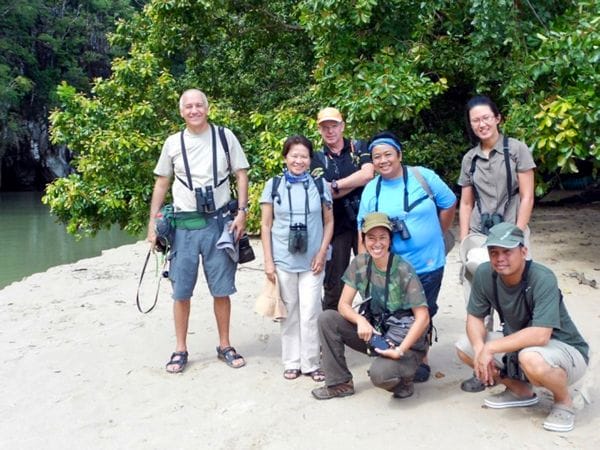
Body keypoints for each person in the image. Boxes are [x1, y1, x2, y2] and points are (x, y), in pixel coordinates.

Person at [147, 88, 249, 373]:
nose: (194, 110)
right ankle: (180, 348)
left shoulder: (225, 137)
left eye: (199, 105)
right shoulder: (172, 143)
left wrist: (242, 213)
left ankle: (225, 344)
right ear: (181, 112)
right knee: (181, 291)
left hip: (219, 222)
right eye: (188, 106)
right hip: (184, 225)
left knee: (222, 288)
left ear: (207, 107)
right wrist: (153, 223)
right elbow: (161, 183)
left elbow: (241, 174)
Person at [455, 222, 589, 433]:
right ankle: (520, 391)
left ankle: (564, 402)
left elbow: (541, 334)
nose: (500, 259)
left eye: (507, 251)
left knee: (530, 357)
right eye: (494, 252)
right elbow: (474, 318)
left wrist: (490, 349)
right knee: (465, 347)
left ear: (524, 251)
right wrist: (480, 349)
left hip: (566, 349)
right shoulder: (484, 273)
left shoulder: (542, 277)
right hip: (521, 344)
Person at [357, 131, 457, 382]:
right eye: (376, 156)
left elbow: (449, 203)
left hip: (428, 262)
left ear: (399, 155)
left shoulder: (423, 177)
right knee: (400, 313)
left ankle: (421, 356)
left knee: (425, 310)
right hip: (392, 268)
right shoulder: (371, 190)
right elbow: (363, 229)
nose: (383, 160)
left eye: (388, 154)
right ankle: (400, 353)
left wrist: (438, 233)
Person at [458, 95, 536, 392]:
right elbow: (466, 203)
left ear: (497, 118)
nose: (481, 124)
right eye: (475, 120)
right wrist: (466, 239)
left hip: (512, 230)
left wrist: (517, 234)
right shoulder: (469, 158)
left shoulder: (517, 149)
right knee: (477, 300)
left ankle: (520, 363)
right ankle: (483, 365)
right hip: (480, 234)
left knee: (516, 296)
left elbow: (527, 195)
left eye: (486, 118)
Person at [311, 212, 430, 400]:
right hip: (376, 332)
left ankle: (404, 380)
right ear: (363, 239)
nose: (377, 243)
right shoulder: (360, 263)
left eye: (383, 237)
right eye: (371, 238)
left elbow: (423, 317)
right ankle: (339, 383)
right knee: (327, 318)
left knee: (380, 375)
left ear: (390, 240)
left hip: (404, 339)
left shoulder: (402, 269)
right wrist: (360, 321)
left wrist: (400, 350)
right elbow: (343, 305)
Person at [260, 135, 334, 381]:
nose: (299, 160)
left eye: (304, 156)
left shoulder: (320, 185)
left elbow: (329, 221)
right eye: (294, 155)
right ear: (285, 157)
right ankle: (291, 361)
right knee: (290, 310)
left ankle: (311, 363)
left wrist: (323, 251)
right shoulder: (273, 185)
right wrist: (268, 261)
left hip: (313, 259)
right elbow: (266, 224)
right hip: (283, 258)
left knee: (311, 310)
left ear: (310, 159)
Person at [310, 107, 374, 311]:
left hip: (366, 222)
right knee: (333, 282)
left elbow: (368, 174)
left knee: (371, 276)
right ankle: (330, 327)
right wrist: (357, 180)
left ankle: (376, 323)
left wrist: (337, 184)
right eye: (325, 127)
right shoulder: (316, 157)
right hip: (334, 225)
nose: (330, 131)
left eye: (334, 126)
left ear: (342, 126)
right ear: (320, 130)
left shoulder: (359, 146)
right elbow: (325, 192)